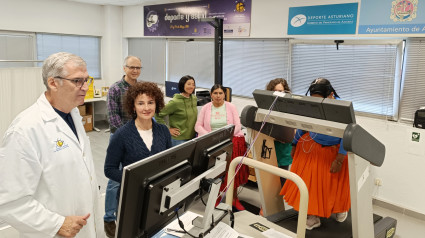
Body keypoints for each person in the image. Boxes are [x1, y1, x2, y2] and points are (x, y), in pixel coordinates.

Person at [0, 52, 104, 237]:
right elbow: (9, 201)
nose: (85, 87)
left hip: (83, 224)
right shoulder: (25, 130)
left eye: (86, 80)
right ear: (53, 83)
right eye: (77, 81)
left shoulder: (73, 114)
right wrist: (57, 224)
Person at [279, 78, 351, 230]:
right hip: (314, 146)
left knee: (333, 185)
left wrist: (339, 158)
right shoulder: (312, 104)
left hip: (334, 150)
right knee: (311, 185)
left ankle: (339, 208)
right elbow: (303, 125)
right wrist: (294, 144)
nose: (316, 104)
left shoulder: (342, 108)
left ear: (331, 95)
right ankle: (313, 215)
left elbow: (349, 133)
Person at [104, 81, 172, 192]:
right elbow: (109, 169)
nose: (146, 108)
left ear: (157, 104)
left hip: (158, 193)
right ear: (133, 107)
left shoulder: (163, 130)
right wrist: (134, 180)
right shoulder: (121, 135)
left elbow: (169, 160)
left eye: (150, 102)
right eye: (140, 103)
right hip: (132, 194)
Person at [104, 55, 142, 237]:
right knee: (115, 179)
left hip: (141, 139)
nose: (135, 70)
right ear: (124, 68)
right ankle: (109, 218)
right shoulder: (115, 89)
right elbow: (113, 118)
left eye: (138, 68)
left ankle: (129, 214)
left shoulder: (142, 88)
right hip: (119, 139)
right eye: (132, 67)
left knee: (135, 177)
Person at [195, 84, 249, 211]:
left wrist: (225, 137)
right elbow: (198, 126)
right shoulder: (205, 108)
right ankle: (217, 197)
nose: (218, 96)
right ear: (211, 95)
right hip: (212, 143)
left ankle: (234, 199)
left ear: (225, 95)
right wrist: (210, 136)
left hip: (230, 140)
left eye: (220, 93)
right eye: (215, 93)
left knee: (233, 170)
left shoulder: (231, 107)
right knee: (217, 173)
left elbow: (237, 125)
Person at [156, 75, 197, 147]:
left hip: (192, 137)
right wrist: (167, 129)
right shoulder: (175, 102)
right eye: (189, 84)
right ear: (182, 85)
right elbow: (158, 114)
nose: (191, 86)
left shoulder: (194, 98)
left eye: (193, 84)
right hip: (179, 139)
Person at [265, 78, 293, 187]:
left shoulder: (290, 108)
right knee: (268, 182)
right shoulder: (267, 107)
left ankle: (278, 202)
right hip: (270, 147)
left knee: (282, 181)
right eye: (277, 91)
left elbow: (293, 129)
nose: (279, 94)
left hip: (284, 149)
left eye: (282, 92)